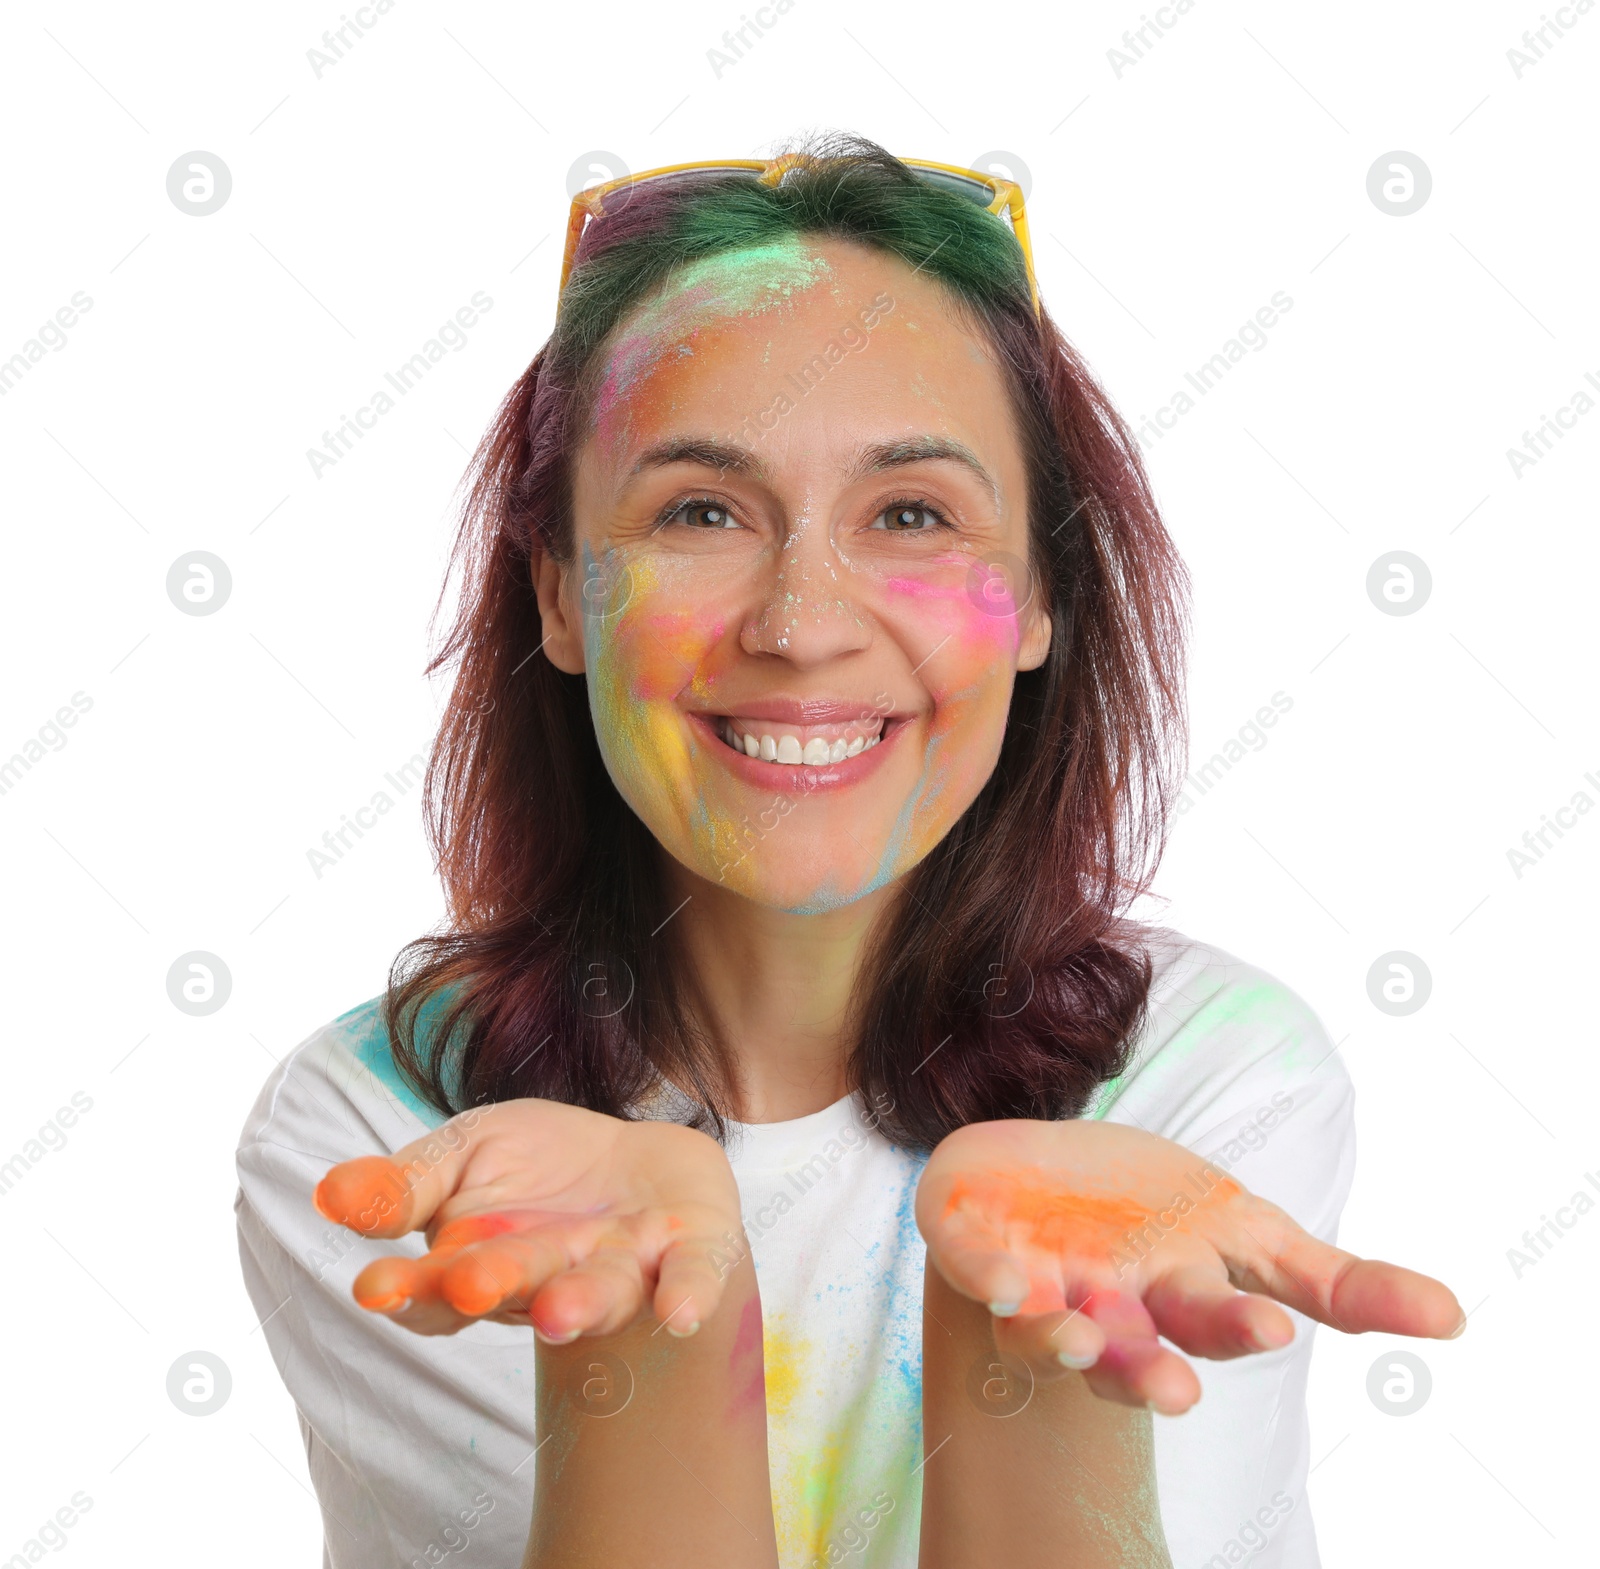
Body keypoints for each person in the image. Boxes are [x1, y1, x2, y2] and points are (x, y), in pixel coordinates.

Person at [235, 131, 1462, 1569]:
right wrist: (643, 1336)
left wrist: (1021, 1353)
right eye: (700, 509)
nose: (802, 623)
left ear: (1045, 594)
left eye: (910, 514)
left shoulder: (1212, 1075)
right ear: (564, 596)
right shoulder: (389, 1135)